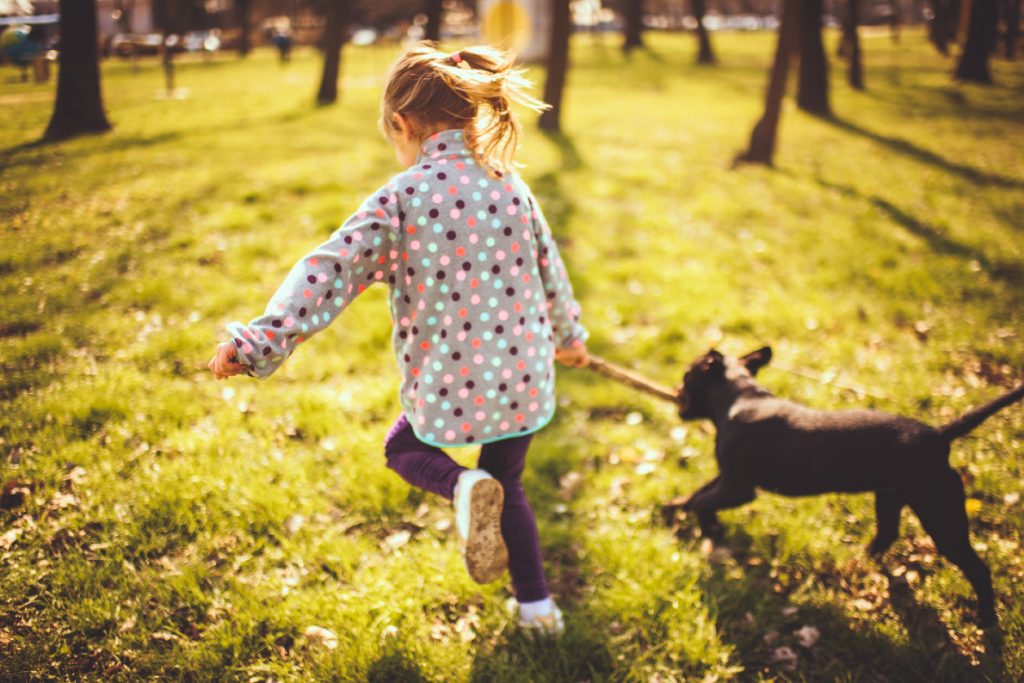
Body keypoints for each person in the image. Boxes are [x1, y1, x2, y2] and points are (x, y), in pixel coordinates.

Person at [208, 44, 589, 635]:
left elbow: (326, 272)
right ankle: (540, 612)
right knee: (508, 484)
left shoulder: (403, 198)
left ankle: (463, 485)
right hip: (522, 376)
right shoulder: (512, 186)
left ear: (402, 125)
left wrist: (259, 342)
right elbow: (550, 270)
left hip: (450, 382)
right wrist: (570, 337)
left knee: (402, 450)